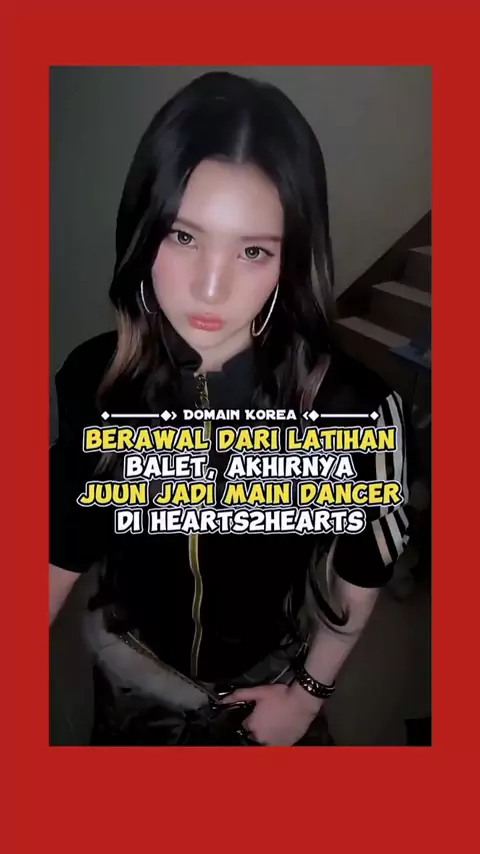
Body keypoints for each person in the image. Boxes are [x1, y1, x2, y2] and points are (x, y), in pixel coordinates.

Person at [50, 71, 411, 746]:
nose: (210, 289)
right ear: (142, 230)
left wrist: (306, 697)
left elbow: (364, 568)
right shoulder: (92, 378)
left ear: (289, 260)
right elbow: (64, 532)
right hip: (128, 663)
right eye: (183, 236)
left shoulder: (355, 410)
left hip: (268, 672)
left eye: (252, 250)